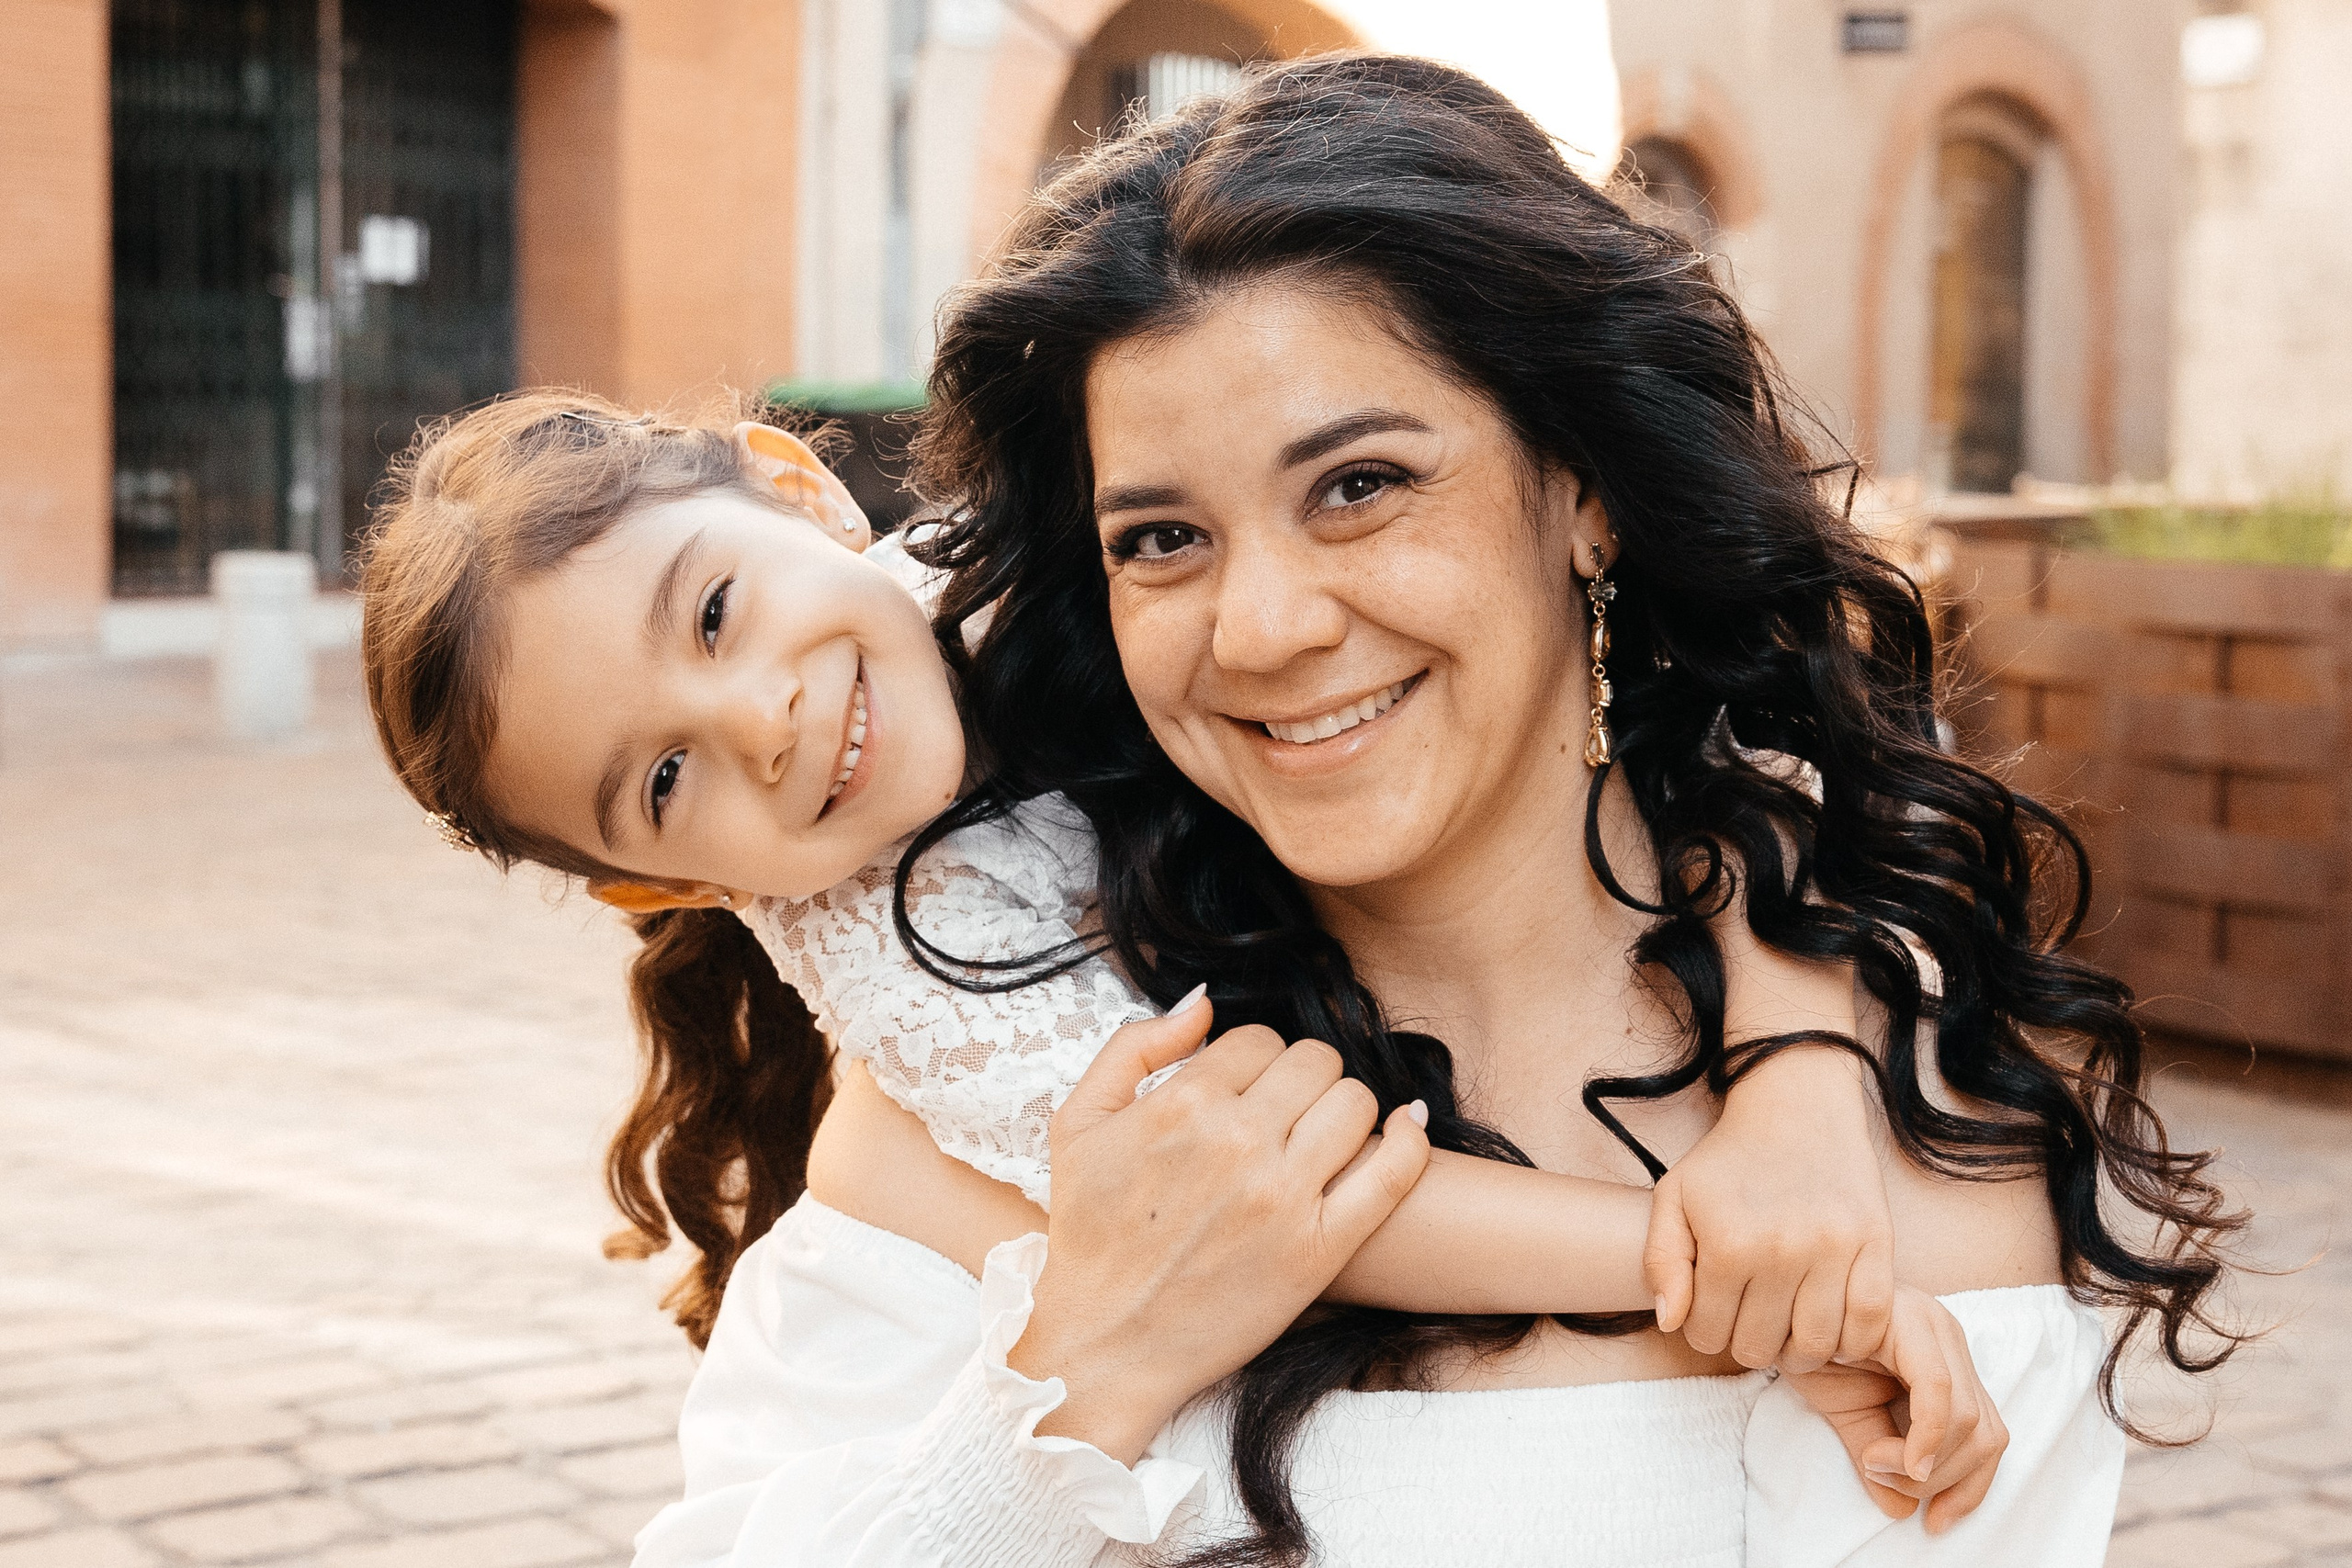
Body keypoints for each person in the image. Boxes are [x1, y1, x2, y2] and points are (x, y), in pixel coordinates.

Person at [629, 51, 2233, 1566]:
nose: (1260, 628)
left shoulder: (1906, 1133)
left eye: (1360, 485)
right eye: (1161, 540)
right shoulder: (1002, 1123)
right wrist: (1080, 1366)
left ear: (1588, 491)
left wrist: (1802, 1056)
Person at [356, 384, 1994, 1510]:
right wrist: (1711, 1262)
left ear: (794, 490)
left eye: (714, 616)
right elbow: (1306, 1204)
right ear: (666, 894)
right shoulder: (931, 984)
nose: (760, 721)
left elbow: (1691, 751)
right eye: (662, 781)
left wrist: (1792, 1085)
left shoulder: (1074, 539)